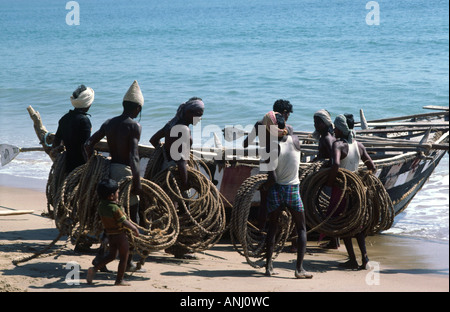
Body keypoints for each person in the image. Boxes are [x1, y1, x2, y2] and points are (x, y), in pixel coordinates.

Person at [84, 80, 144, 271]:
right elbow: (134, 157)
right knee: (131, 218)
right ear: (137, 108)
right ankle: (129, 262)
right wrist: (137, 181)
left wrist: (92, 162)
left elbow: (88, 144)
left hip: (110, 173)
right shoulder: (134, 126)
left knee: (109, 220)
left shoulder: (109, 123)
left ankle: (101, 256)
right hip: (125, 174)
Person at [261, 111, 313, 279]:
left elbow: (273, 177)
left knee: (273, 228)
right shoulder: (296, 140)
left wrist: (262, 188)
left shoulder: (270, 146)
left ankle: (268, 267)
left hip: (277, 190)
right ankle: (299, 269)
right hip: (292, 189)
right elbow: (290, 132)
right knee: (301, 228)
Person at [326, 114, 376, 270]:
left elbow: (335, 165)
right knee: (357, 225)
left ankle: (353, 259)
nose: (333, 129)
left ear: (341, 129)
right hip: (356, 192)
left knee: (344, 225)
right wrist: (363, 180)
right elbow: (372, 167)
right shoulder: (359, 145)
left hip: (341, 191)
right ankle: (365, 259)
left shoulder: (338, 145)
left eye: (335, 127)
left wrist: (329, 181)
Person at [242, 99, 294, 232]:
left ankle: (261, 231)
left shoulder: (260, 124)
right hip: (283, 164)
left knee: (264, 201)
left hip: (266, 163)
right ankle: (278, 232)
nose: (288, 117)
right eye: (288, 114)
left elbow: (246, 144)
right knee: (282, 202)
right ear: (284, 113)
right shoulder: (288, 129)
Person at [87, 179, 139, 286]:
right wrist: (134, 228)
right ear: (111, 196)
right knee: (124, 257)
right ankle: (119, 280)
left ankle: (94, 269)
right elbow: (123, 221)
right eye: (117, 193)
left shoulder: (101, 206)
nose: (118, 194)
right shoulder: (115, 208)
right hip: (120, 236)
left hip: (110, 235)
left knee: (111, 256)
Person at [149, 97, 204, 192]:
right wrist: (185, 182)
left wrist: (164, 152)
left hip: (164, 169)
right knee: (181, 203)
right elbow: (181, 160)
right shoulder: (184, 130)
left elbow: (153, 140)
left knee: (167, 203)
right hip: (177, 174)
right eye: (198, 115)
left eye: (201, 115)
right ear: (188, 112)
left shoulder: (171, 124)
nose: (200, 118)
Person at [312, 109, 340, 249]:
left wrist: (320, 164)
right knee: (330, 209)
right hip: (324, 177)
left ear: (325, 123)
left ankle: (334, 241)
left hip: (326, 178)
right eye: (314, 121)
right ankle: (334, 241)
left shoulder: (327, 138)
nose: (315, 124)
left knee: (328, 210)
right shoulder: (326, 137)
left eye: (318, 122)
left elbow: (332, 158)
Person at [52, 84, 95, 173]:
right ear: (88, 104)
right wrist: (90, 166)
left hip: (68, 166)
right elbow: (85, 147)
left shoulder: (64, 118)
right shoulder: (84, 121)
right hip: (80, 167)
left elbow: (55, 143)